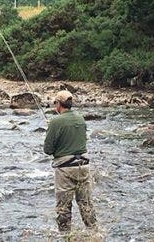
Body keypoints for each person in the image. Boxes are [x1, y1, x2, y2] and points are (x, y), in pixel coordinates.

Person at [44, 90, 97, 233]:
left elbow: (48, 150)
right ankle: (94, 233)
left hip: (65, 169)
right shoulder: (80, 118)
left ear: (58, 104)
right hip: (84, 166)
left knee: (64, 208)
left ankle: (65, 236)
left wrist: (51, 129)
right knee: (86, 204)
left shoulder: (56, 121)